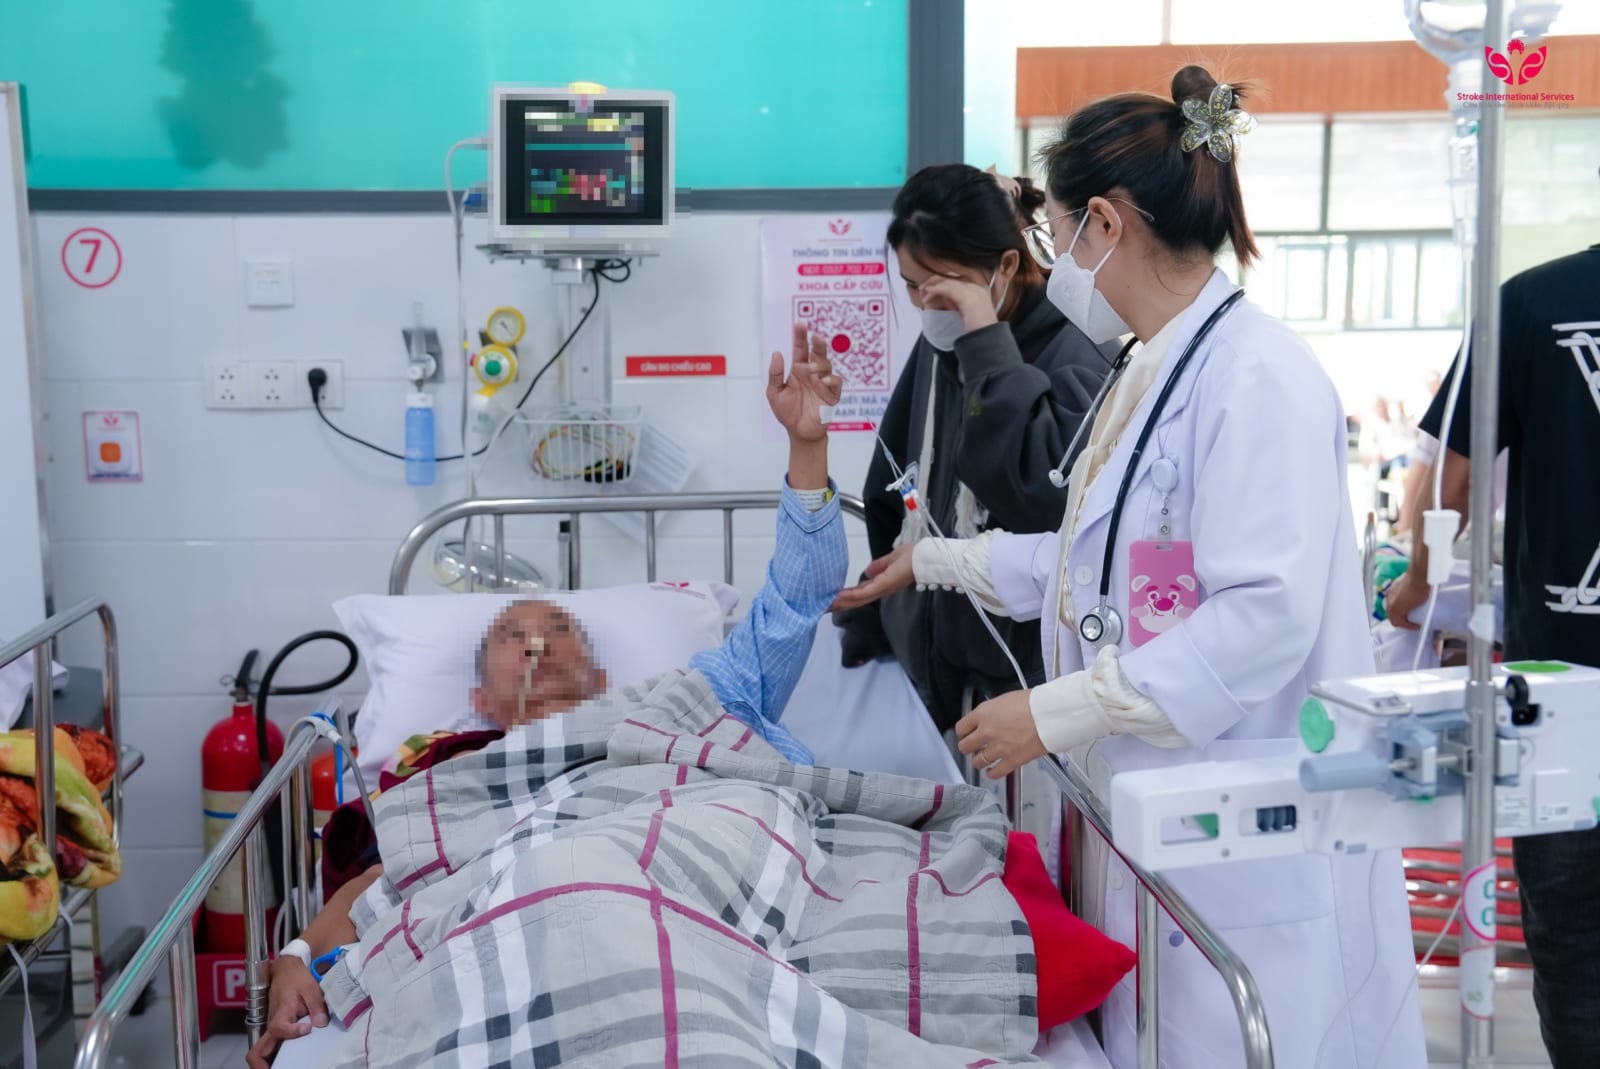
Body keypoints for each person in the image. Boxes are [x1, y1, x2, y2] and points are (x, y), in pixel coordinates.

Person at [833, 66, 1423, 1067]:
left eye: (1059, 233)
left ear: (1105, 224)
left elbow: (1259, 617)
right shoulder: (1153, 367)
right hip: (1164, 817)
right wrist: (933, 560)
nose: (1056, 260)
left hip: (1245, 836)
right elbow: (1093, 565)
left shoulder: (1258, 377)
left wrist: (1055, 711)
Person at [247, 326, 848, 1068]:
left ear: (600, 677)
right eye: (513, 636)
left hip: (700, 866)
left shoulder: (688, 701)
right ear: (480, 695)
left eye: (561, 631)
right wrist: (297, 956)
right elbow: (388, 881)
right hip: (544, 906)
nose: (539, 643)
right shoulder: (451, 775)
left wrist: (808, 448)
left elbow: (794, 603)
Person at [1383, 236, 1600, 1069]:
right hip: (1560, 696)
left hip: (1567, 699)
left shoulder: (1531, 302)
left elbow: (1452, 480)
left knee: (1577, 940)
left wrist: (1416, 584)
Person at [834, 162, 1116, 731]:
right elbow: (894, 483)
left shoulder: (1081, 346)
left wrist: (986, 342)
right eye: (912, 285)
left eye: (945, 287)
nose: (926, 304)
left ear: (1005, 265)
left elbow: (1037, 498)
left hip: (1024, 683)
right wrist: (882, 617)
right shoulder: (942, 342)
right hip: (939, 665)